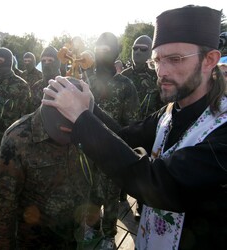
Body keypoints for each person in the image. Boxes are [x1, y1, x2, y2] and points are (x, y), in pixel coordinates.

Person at [42, 5, 227, 250]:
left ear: (210, 60)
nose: (162, 71)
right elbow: (123, 137)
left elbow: (157, 183)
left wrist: (82, 119)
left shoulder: (222, 127)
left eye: (175, 59)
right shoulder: (170, 112)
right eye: (157, 60)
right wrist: (90, 108)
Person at [0, 76, 120, 249]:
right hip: (32, 241)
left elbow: (102, 177)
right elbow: (1, 206)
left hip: (73, 235)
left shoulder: (92, 131)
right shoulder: (18, 138)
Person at [86, 32, 139, 249]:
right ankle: (93, 229)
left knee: (110, 197)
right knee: (90, 194)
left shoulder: (126, 85)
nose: (102, 54)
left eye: (107, 50)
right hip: (88, 150)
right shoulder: (89, 82)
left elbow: (131, 124)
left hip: (112, 151)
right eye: (99, 49)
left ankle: (109, 235)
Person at [121, 35, 164, 216]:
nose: (137, 52)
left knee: (143, 170)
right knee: (122, 164)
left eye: (143, 49)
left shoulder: (157, 77)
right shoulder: (123, 77)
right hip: (125, 130)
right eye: (135, 48)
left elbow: (163, 107)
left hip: (147, 132)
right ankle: (121, 194)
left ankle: (140, 204)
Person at [0, 47, 31, 182]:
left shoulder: (21, 85)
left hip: (12, 131)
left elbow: (26, 113)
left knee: (13, 160)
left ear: (8, 62)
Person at [31, 46, 60, 110]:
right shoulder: (36, 87)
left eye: (50, 60)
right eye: (43, 60)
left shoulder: (65, 86)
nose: (46, 63)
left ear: (57, 63)